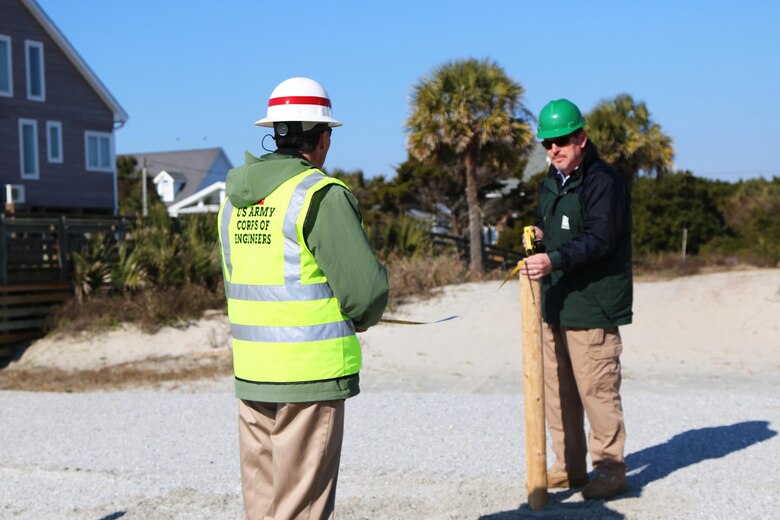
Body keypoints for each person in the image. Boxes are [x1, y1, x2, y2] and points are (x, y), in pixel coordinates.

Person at [217, 77, 389, 518]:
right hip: (309, 376)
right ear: (324, 136)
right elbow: (365, 294)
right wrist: (363, 314)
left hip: (253, 371)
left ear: (274, 131)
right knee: (301, 507)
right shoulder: (320, 194)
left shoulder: (233, 200)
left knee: (264, 503)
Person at [520, 99, 633, 501]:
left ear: (581, 138)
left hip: (593, 308)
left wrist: (553, 258)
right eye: (547, 143)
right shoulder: (551, 180)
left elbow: (601, 238)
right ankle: (568, 467)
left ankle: (610, 469)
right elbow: (559, 230)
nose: (553, 149)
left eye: (561, 141)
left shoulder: (604, 181)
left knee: (597, 391)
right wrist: (540, 233)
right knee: (559, 393)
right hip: (555, 307)